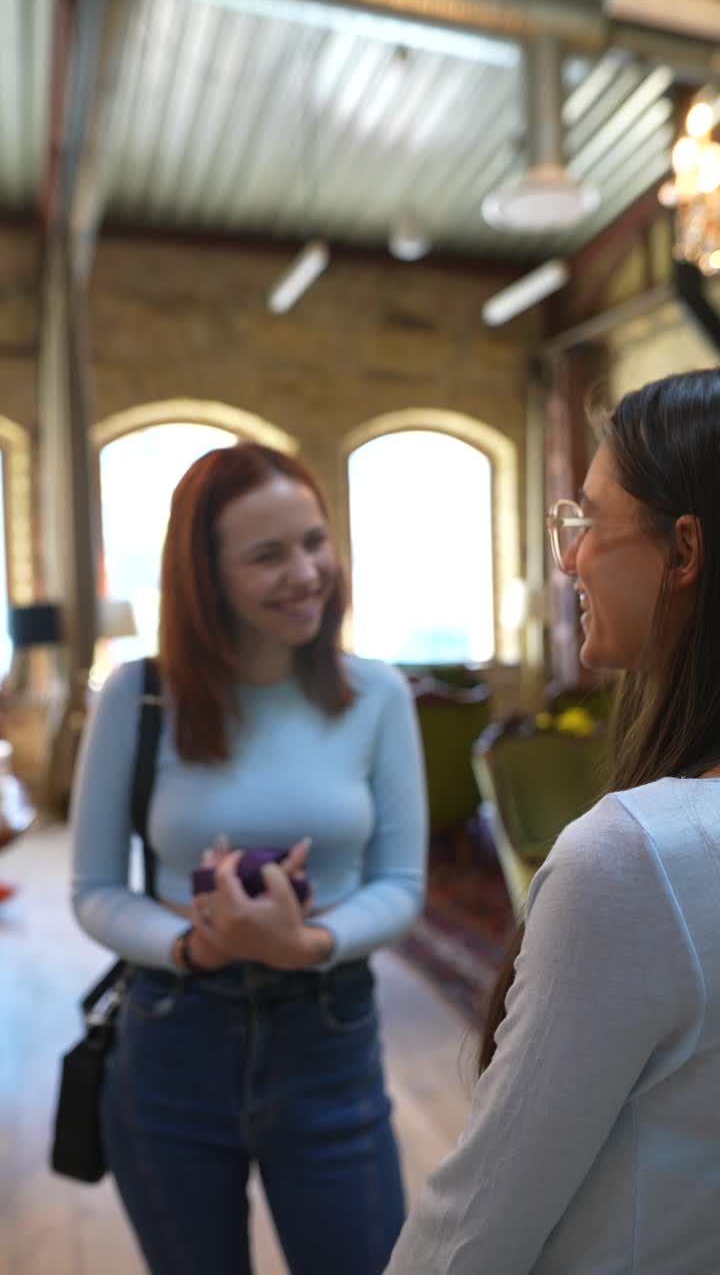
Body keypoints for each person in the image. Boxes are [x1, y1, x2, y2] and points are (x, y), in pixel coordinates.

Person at [385, 368, 720, 1275]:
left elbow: (472, 1231)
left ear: (683, 551)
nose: (566, 558)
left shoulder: (637, 859)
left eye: (586, 523)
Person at [71, 440, 427, 1275]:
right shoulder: (138, 695)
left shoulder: (376, 694)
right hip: (172, 1041)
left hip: (328, 1035)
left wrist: (307, 945)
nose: (306, 573)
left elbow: (401, 885)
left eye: (314, 541)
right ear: (206, 577)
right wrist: (197, 947)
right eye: (267, 555)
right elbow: (92, 891)